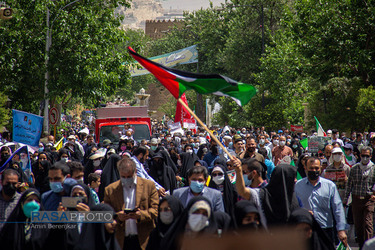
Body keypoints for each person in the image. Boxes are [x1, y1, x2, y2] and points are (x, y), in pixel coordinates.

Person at [104, 158, 159, 250]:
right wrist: (117, 216)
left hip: (143, 239)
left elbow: (155, 210)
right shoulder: (110, 190)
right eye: (123, 177)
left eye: (129, 176)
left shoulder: (149, 186)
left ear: (135, 171)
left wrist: (140, 215)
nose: (126, 179)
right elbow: (106, 214)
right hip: (121, 240)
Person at [232, 157, 299, 228]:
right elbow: (242, 191)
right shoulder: (263, 194)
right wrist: (238, 171)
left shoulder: (293, 199)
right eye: (292, 178)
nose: (295, 180)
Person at [295, 157, 347, 247]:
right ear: (305, 168)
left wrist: (341, 230)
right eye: (311, 168)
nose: (314, 170)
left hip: (326, 229)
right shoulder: (297, 186)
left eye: (316, 168)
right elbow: (294, 208)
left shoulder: (330, 186)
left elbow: (337, 208)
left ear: (321, 168)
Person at [343, 146, 375, 248]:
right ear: (360, 155)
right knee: (358, 225)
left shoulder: (374, 168)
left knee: (368, 223)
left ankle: (368, 247)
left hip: (369, 200)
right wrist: (345, 199)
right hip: (356, 199)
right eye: (363, 155)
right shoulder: (354, 169)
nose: (365, 158)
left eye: (367, 156)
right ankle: (362, 246)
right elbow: (349, 185)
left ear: (370, 156)